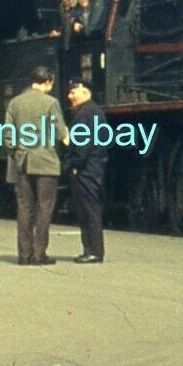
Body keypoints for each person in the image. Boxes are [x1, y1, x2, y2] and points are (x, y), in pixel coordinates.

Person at [4, 66, 69, 266]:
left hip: (23, 162)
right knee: (44, 208)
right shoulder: (51, 103)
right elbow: (61, 133)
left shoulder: (15, 103)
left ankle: (24, 255)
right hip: (46, 163)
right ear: (48, 81)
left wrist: (17, 154)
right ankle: (39, 254)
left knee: (24, 209)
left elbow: (8, 136)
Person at [66, 82, 108, 264]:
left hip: (85, 169)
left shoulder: (85, 114)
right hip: (94, 166)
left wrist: (74, 164)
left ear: (85, 91)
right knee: (90, 209)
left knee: (88, 210)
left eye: (73, 91)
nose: (69, 96)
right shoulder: (95, 111)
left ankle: (93, 251)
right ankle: (92, 249)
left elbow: (82, 144)